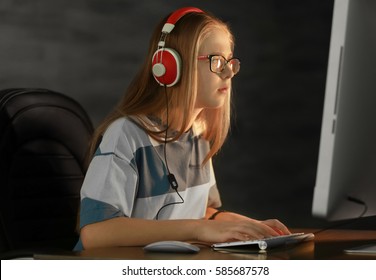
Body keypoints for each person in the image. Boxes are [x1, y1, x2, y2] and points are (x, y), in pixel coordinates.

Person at [74, 7, 290, 251]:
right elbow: (96, 232)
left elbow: (198, 212)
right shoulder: (126, 135)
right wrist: (199, 229)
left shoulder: (197, 135)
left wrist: (243, 225)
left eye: (230, 61)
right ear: (169, 66)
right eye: (216, 61)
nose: (229, 72)